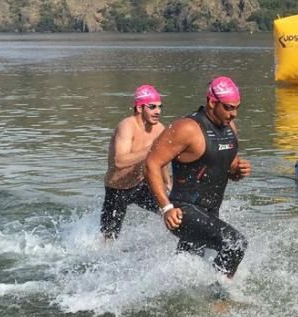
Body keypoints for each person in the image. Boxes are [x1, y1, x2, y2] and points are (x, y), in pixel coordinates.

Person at [144, 76, 252, 278]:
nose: (233, 114)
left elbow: (225, 166)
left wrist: (237, 171)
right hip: (183, 212)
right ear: (212, 103)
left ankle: (167, 292)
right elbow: (151, 163)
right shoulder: (187, 128)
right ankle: (218, 299)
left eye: (237, 108)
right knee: (235, 244)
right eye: (228, 108)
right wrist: (166, 208)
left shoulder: (229, 128)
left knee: (188, 266)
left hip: (210, 211)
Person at [101, 84, 169, 239]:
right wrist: (151, 149)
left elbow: (161, 159)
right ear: (139, 108)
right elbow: (119, 161)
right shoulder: (127, 126)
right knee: (108, 239)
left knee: (170, 210)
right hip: (117, 189)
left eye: (160, 107)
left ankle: (171, 248)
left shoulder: (159, 129)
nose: (158, 111)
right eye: (152, 107)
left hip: (141, 185)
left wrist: (167, 181)